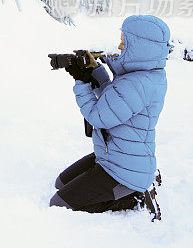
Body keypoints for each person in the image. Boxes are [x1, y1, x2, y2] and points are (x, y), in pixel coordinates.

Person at [49, 14, 171, 215]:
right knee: (60, 183)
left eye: (125, 42)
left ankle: (132, 196)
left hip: (124, 171)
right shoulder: (143, 75)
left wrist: (81, 81)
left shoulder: (137, 84)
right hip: (113, 156)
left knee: (60, 204)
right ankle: (133, 182)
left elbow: (97, 116)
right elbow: (113, 99)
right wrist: (95, 70)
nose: (120, 46)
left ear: (141, 46)